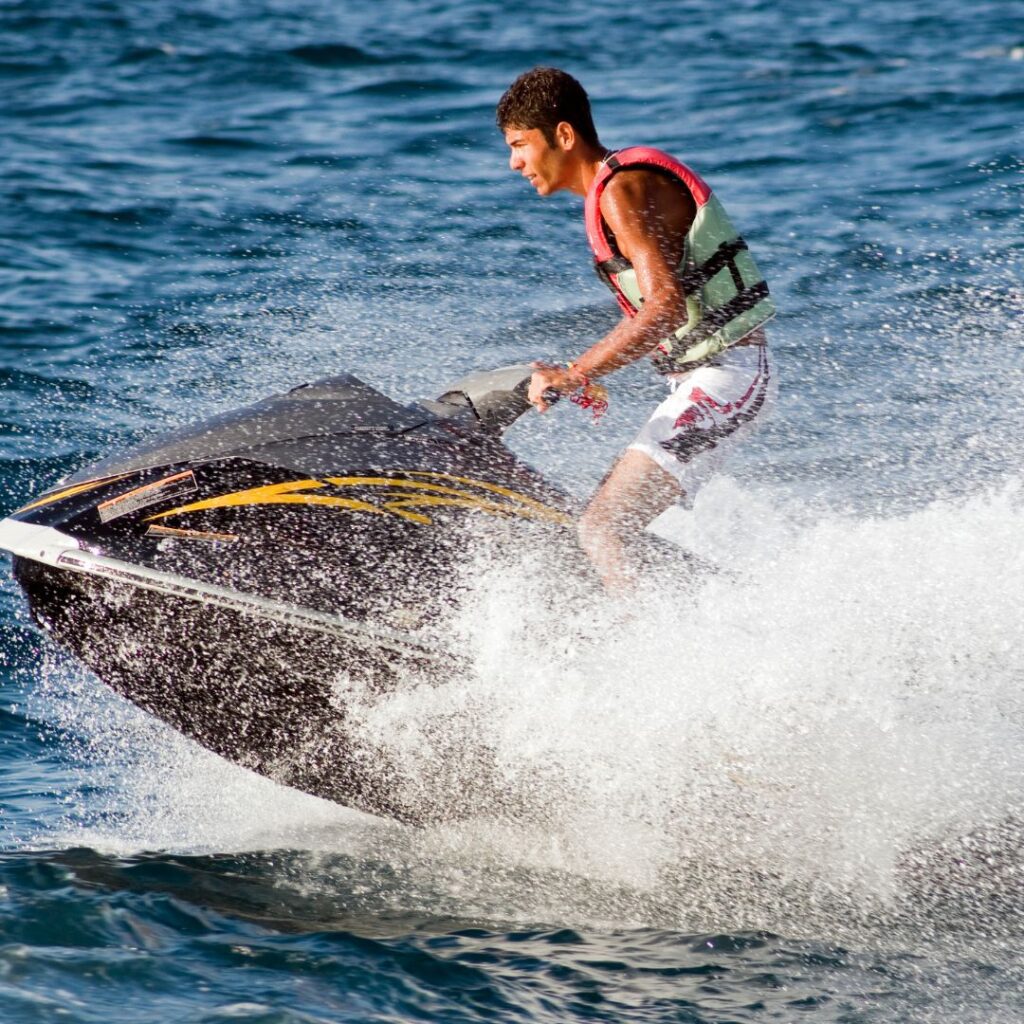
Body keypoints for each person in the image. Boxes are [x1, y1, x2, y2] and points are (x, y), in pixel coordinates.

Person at [496, 67, 776, 592]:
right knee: (601, 521)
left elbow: (664, 308)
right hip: (712, 379)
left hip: (729, 377)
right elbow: (664, 310)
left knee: (602, 528)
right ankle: (703, 611)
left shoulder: (622, 189)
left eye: (519, 145)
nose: (513, 162)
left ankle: (641, 659)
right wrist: (591, 373)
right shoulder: (615, 190)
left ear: (563, 135)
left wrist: (577, 374)